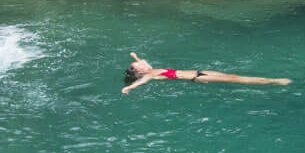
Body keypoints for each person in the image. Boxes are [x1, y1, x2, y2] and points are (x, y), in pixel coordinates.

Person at [122, 52, 292, 94]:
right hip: (196, 78)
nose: (143, 62)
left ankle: (271, 81)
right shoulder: (149, 74)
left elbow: (140, 60)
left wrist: (133, 56)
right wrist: (129, 88)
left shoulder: (148, 69)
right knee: (235, 80)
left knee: (232, 75)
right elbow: (141, 82)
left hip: (199, 72)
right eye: (139, 64)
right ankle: (273, 81)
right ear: (140, 71)